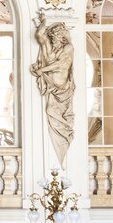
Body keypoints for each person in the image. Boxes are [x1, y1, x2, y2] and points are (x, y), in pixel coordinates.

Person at [31, 11, 75, 166]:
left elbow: (59, 65)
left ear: (61, 37)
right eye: (52, 38)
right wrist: (43, 21)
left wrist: (41, 70)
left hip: (61, 88)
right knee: (51, 112)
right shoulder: (50, 49)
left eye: (55, 38)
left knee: (57, 118)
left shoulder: (68, 48)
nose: (53, 40)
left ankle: (62, 159)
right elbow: (40, 37)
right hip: (52, 85)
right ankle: (59, 160)